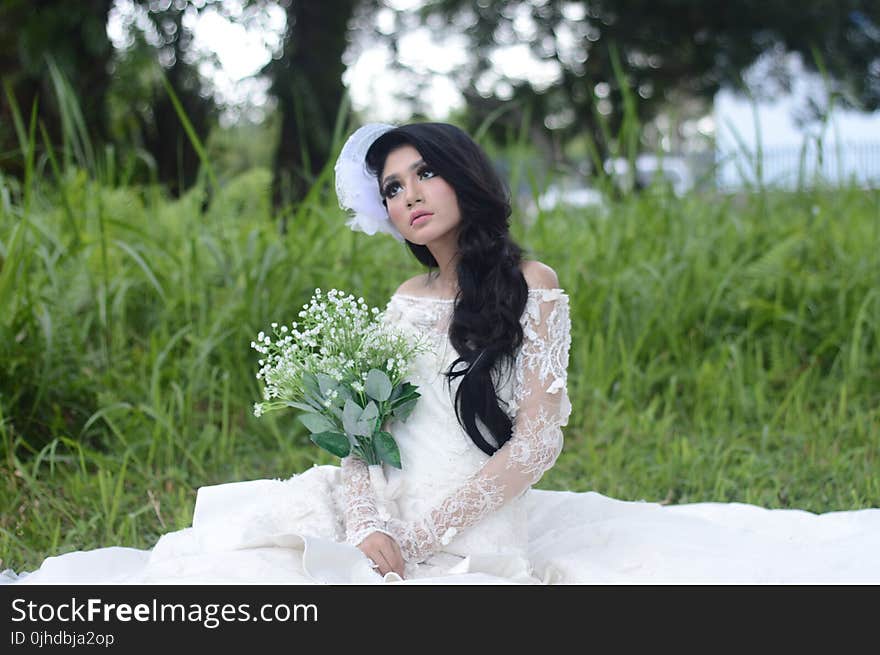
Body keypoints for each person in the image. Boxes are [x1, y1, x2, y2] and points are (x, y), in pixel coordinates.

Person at [3, 122, 880, 585]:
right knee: (228, 573)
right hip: (388, 505)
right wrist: (375, 520)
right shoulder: (402, 302)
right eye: (391, 187)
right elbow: (361, 428)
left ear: (462, 175)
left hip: (472, 517)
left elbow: (537, 441)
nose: (409, 194)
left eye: (423, 172)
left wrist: (423, 535)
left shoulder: (532, 281)